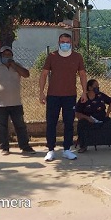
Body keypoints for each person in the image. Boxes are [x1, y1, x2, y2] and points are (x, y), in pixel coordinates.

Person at [39, 33, 87, 162]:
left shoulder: (77, 57)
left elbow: (82, 75)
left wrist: (84, 92)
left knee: (69, 123)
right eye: (62, 41)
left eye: (67, 42)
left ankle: (67, 150)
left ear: (71, 43)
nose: (65, 44)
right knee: (51, 123)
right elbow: (43, 74)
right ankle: (50, 150)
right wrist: (41, 92)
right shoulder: (52, 56)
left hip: (70, 96)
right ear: (58, 42)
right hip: (53, 96)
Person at [0, 46, 36, 156]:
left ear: (12, 56)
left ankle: (25, 147)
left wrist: (14, 65)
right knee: (2, 126)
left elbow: (26, 74)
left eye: (9, 55)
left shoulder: (17, 66)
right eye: (4, 55)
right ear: (0, 56)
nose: (6, 57)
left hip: (16, 103)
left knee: (20, 125)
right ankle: (4, 148)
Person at [75, 79, 111, 153]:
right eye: (95, 86)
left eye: (98, 86)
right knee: (81, 124)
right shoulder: (84, 98)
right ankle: (83, 146)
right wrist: (87, 118)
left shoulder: (100, 95)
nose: (97, 87)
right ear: (90, 87)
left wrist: (107, 113)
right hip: (89, 120)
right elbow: (77, 113)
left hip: (102, 117)